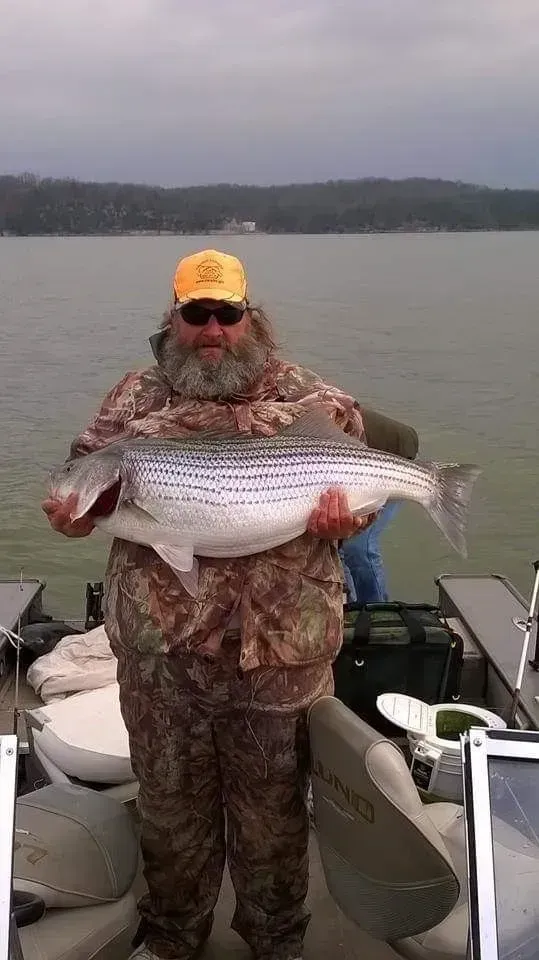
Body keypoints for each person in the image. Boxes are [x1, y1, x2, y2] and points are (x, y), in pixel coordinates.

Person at [41, 249, 397, 960]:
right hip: (159, 657)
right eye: (195, 313)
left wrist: (347, 522)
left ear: (248, 314)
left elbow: (358, 495)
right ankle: (173, 936)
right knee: (170, 811)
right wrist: (70, 513)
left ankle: (276, 943)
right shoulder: (133, 398)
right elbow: (77, 482)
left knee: (272, 817)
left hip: (279, 656)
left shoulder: (310, 397)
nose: (211, 329)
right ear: (173, 318)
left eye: (225, 314)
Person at [339, 410, 419, 603]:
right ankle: (353, 607)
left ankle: (376, 609)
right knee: (337, 546)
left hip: (393, 460)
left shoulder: (321, 408)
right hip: (346, 468)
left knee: (358, 547)